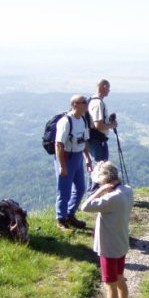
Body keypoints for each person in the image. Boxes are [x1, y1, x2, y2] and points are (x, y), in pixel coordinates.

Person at [81, 161, 134, 298]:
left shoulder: (111, 197)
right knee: (120, 277)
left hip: (108, 247)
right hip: (121, 242)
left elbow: (85, 207)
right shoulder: (127, 191)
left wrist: (99, 192)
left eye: (99, 182)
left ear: (104, 181)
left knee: (109, 283)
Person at [55, 95, 93, 230]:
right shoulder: (65, 121)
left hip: (78, 157)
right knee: (64, 190)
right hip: (66, 157)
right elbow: (59, 144)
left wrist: (87, 158)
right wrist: (62, 166)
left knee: (80, 188)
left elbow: (85, 140)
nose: (87, 104)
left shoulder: (83, 119)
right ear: (75, 105)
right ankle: (61, 219)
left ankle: (69, 215)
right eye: (84, 102)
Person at [87, 79, 118, 164]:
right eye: (108, 88)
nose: (109, 90)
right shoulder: (98, 103)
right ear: (104, 87)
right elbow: (98, 125)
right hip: (97, 140)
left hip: (93, 140)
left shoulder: (91, 100)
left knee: (97, 168)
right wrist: (112, 125)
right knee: (100, 168)